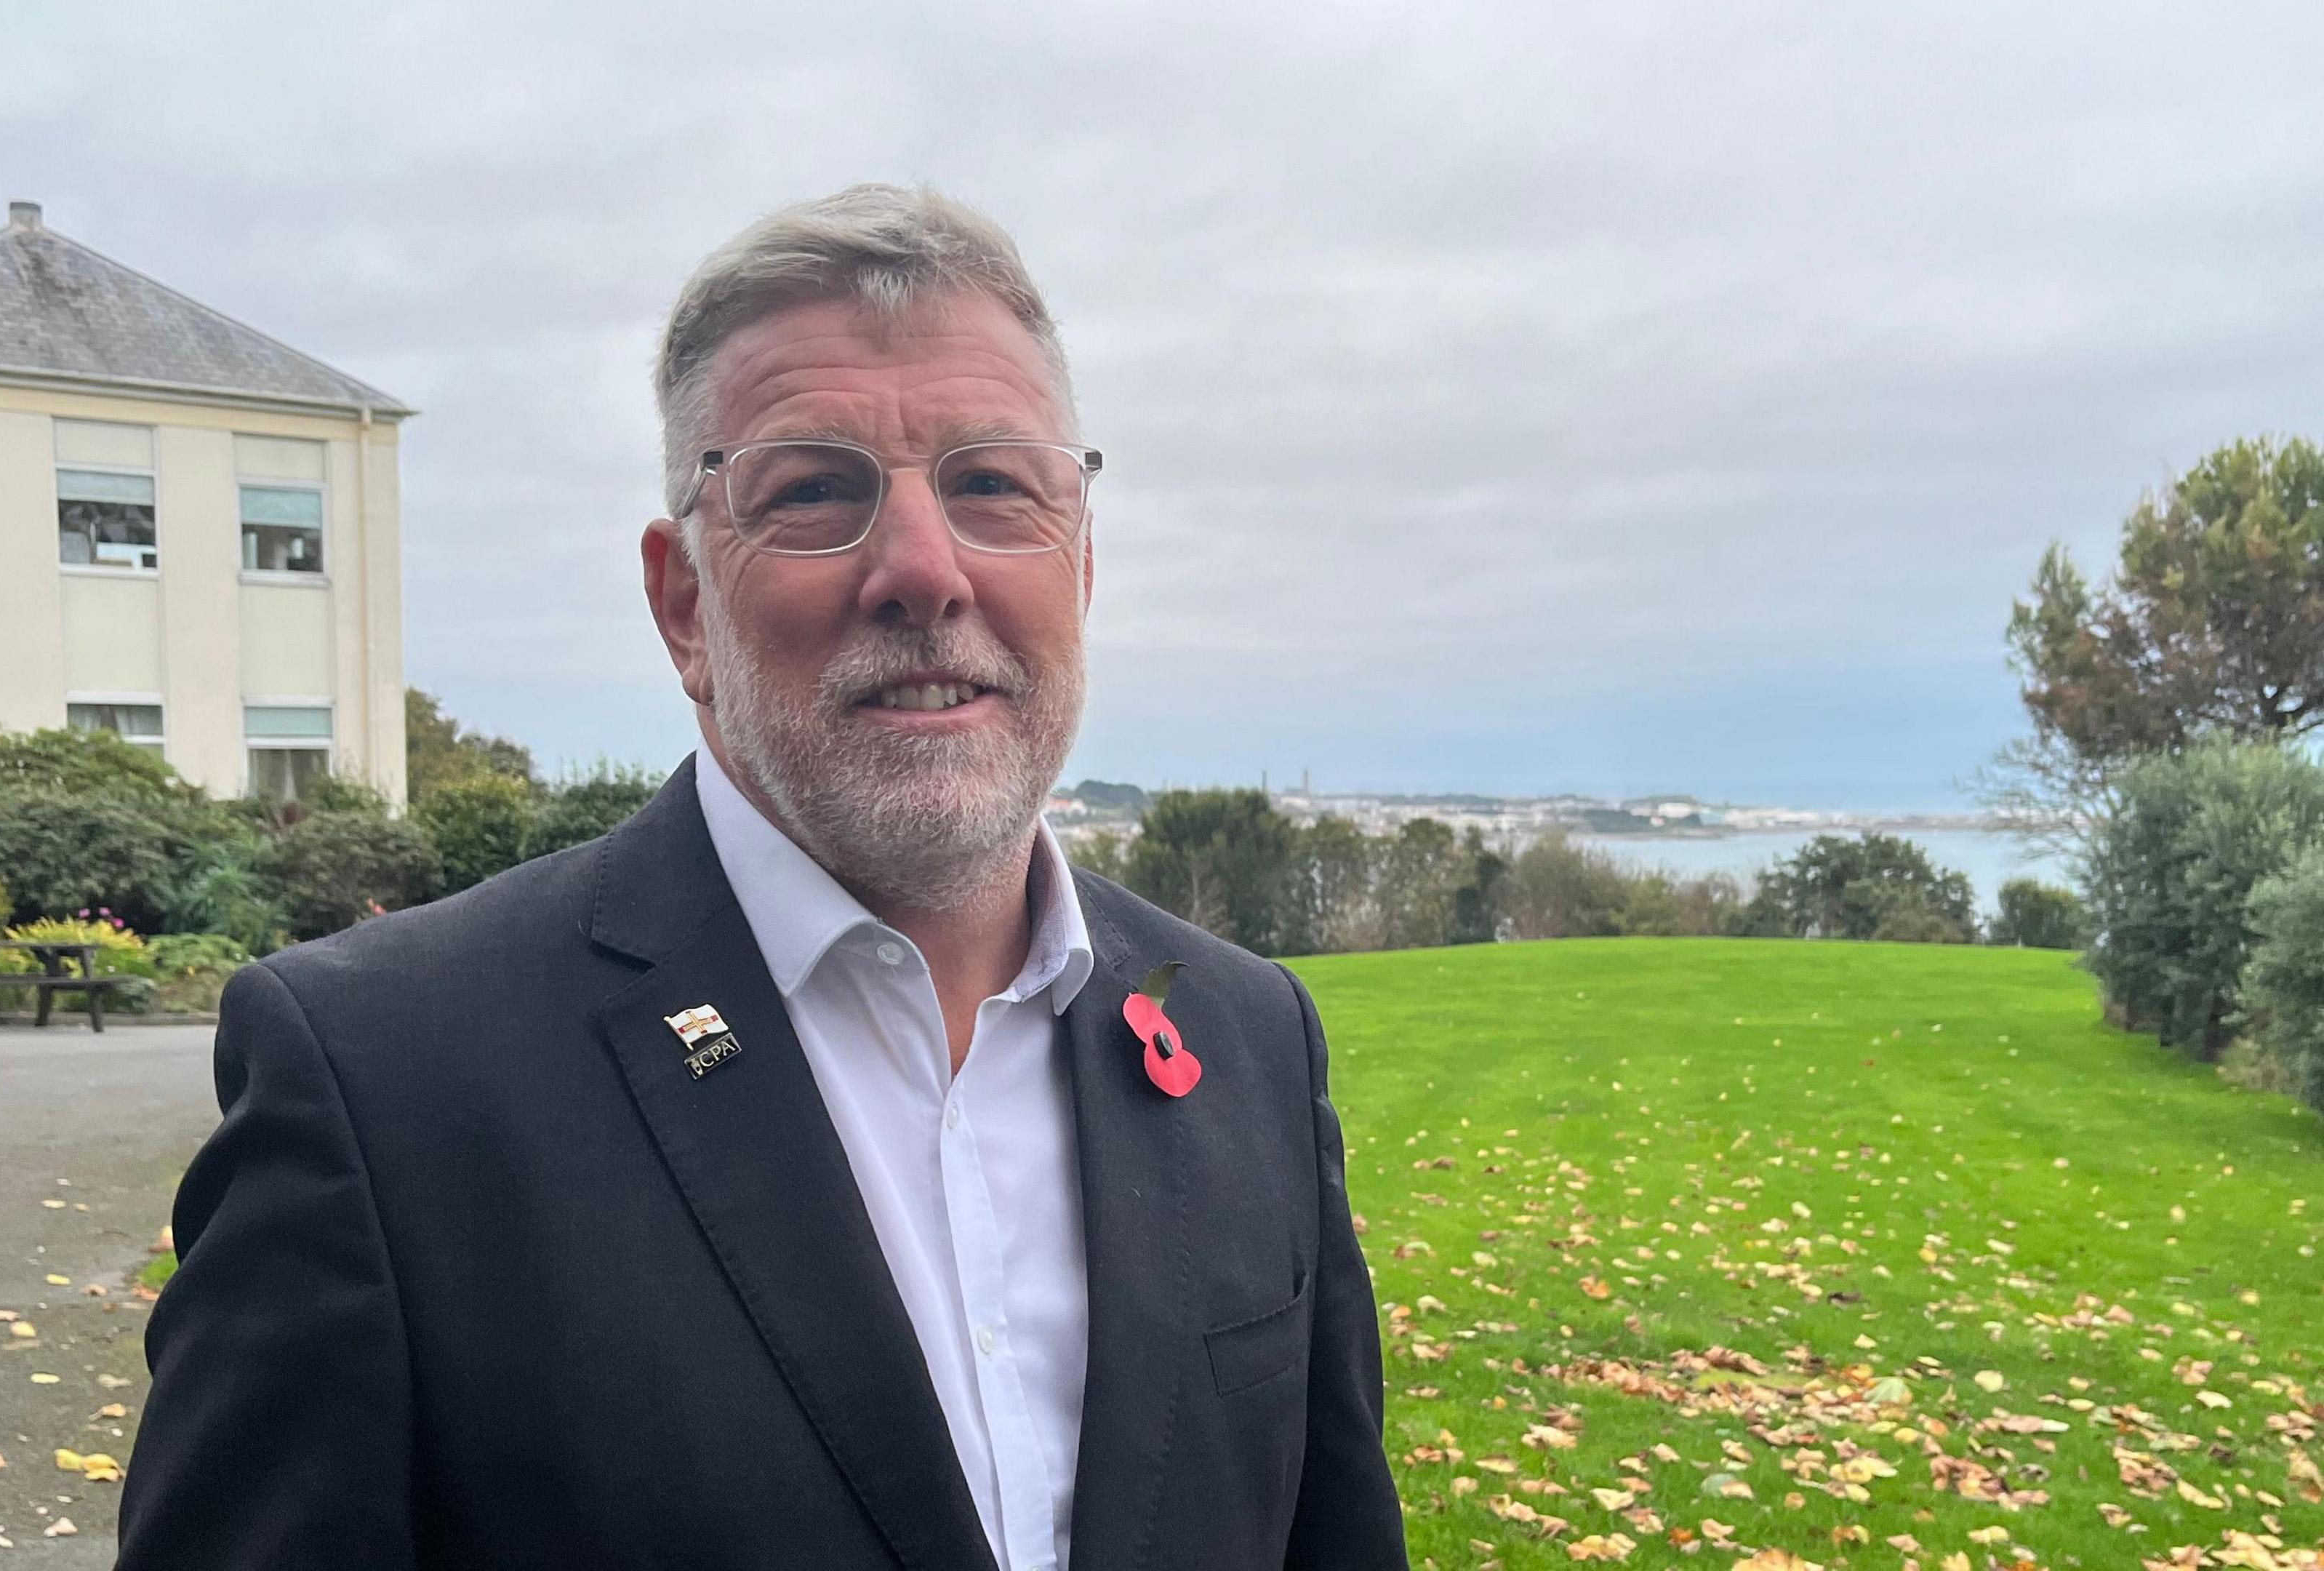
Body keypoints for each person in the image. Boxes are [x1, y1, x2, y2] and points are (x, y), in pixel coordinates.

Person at [116, 184, 1407, 1570]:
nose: (923, 570)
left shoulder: (1246, 1036)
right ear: (684, 605)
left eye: (991, 486)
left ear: (1079, 563)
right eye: (812, 494)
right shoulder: (383, 1083)